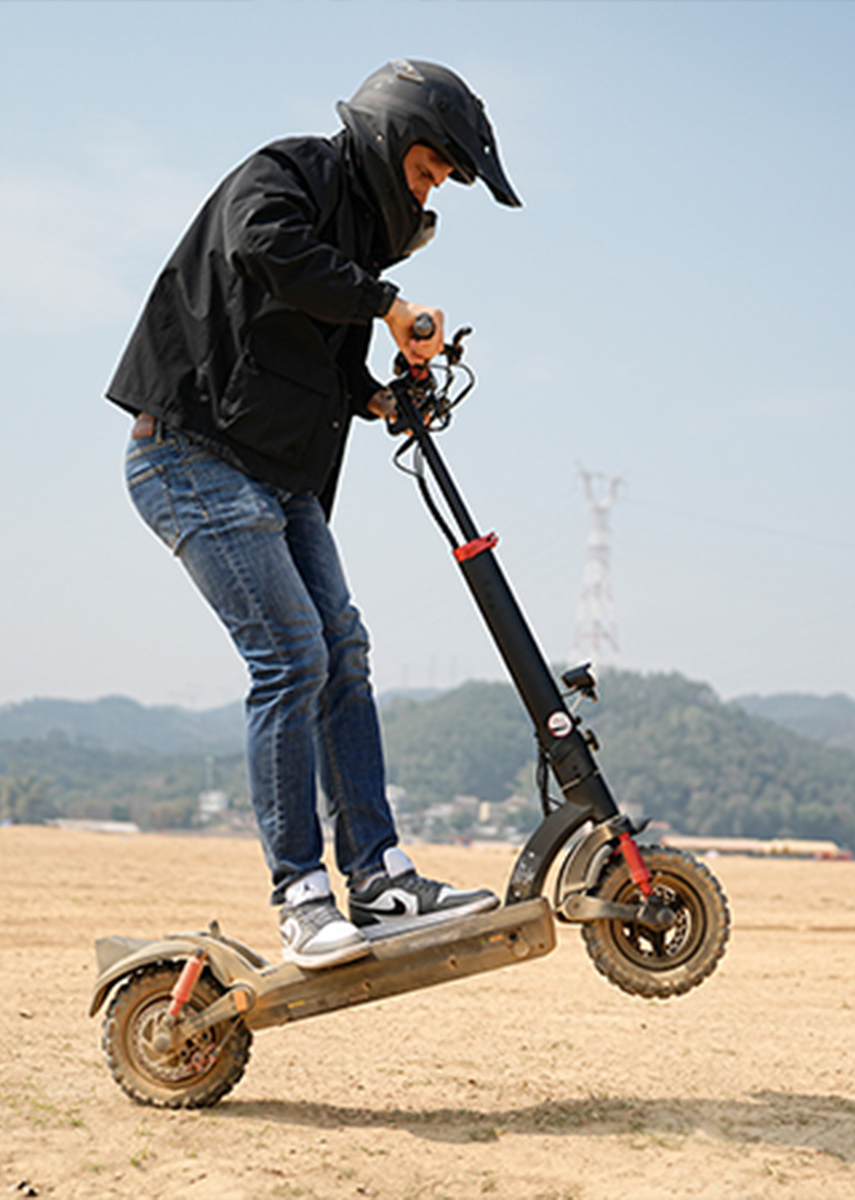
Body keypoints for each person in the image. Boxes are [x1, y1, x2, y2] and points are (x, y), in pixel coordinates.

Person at [107, 59, 522, 969]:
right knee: (291, 656)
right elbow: (265, 247)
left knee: (343, 651)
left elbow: (317, 348)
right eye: (426, 170)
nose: (427, 193)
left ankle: (377, 878)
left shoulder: (359, 251)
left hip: (276, 476)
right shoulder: (288, 174)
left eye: (439, 182)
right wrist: (386, 303)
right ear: (388, 137)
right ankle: (301, 897)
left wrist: (378, 398)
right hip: (190, 455)